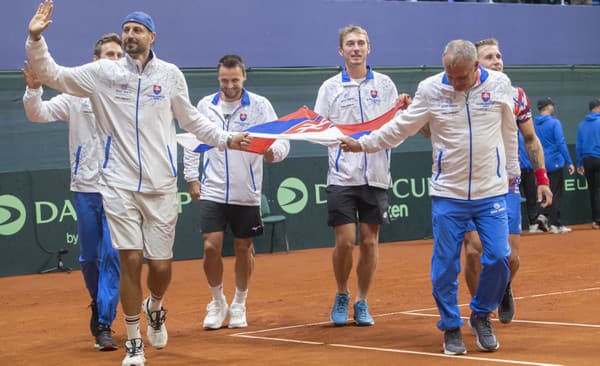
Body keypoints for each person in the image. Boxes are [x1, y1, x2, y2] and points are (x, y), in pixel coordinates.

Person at [26, 3, 251, 365]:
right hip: (117, 184)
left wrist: (226, 138)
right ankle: (133, 341)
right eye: (126, 30)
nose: (130, 36)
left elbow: (191, 119)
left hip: (161, 185)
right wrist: (36, 37)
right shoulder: (102, 72)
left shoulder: (171, 75)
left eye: (137, 30)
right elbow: (53, 74)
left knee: (160, 268)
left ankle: (155, 305)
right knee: (129, 260)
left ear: (152, 37)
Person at [340, 40, 518, 355]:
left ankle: (480, 314)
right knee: (445, 266)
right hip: (448, 193)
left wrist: (512, 170)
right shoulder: (431, 88)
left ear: (476, 67)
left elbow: (508, 129)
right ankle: (451, 327)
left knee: (500, 258)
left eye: (461, 77)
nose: (454, 82)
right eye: (449, 74)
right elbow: (401, 128)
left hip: (490, 190)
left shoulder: (501, 84)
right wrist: (363, 143)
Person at [22, 33, 123, 352]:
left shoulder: (128, 95)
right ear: (95, 60)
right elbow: (37, 113)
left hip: (119, 189)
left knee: (113, 255)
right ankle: (98, 303)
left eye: (119, 55)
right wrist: (34, 88)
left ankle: (105, 322)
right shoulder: (75, 94)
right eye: (109, 54)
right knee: (89, 258)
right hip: (85, 189)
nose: (116, 59)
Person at [183, 55, 290, 330]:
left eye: (234, 79)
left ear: (244, 77)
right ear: (218, 78)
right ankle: (217, 302)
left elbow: (282, 139)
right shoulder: (205, 105)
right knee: (210, 246)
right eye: (224, 80)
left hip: (247, 192)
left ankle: (239, 302)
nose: (229, 85)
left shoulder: (260, 105)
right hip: (213, 189)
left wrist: (273, 153)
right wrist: (192, 178)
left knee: (244, 248)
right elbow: (193, 141)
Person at [461, 38, 553, 327]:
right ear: (476, 64)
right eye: (489, 56)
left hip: (507, 183)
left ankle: (502, 287)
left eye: (499, 55)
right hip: (471, 183)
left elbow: (530, 139)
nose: (497, 60)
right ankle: (481, 313)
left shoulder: (517, 95)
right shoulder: (462, 93)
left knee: (510, 258)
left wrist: (542, 178)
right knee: (475, 249)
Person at [313, 25, 401, 327]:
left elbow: (396, 131)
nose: (355, 48)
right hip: (341, 177)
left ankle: (362, 300)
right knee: (345, 241)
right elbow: (316, 130)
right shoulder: (329, 88)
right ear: (341, 50)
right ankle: (341, 293)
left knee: (369, 241)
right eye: (350, 44)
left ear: (369, 48)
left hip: (376, 176)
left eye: (361, 43)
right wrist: (341, 140)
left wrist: (371, 140)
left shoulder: (386, 85)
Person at [534, 97, 575, 233]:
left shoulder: (534, 123)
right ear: (548, 107)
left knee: (545, 191)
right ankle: (555, 224)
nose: (553, 107)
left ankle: (542, 216)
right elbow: (560, 143)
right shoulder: (554, 122)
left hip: (540, 164)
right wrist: (569, 161)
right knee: (555, 193)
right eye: (551, 105)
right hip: (554, 163)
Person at [575, 98, 600, 229]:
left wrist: (579, 163)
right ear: (597, 107)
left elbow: (579, 146)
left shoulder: (582, 125)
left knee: (594, 190)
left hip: (587, 160)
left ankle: (596, 221)